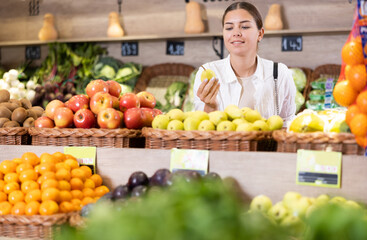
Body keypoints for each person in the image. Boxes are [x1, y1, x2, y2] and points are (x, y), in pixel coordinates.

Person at [193, 1, 296, 125]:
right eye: (229, 28)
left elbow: (287, 124)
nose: (236, 33)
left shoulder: (279, 73)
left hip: (268, 145)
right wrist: (210, 107)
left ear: (260, 33)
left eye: (245, 27)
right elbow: (202, 130)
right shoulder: (209, 73)